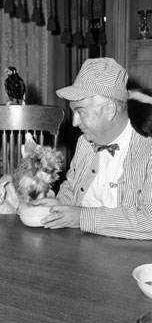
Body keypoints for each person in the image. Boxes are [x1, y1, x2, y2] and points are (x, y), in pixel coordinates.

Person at [36, 57, 152, 239]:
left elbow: (149, 220)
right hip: (80, 245)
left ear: (109, 110)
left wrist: (81, 218)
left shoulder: (148, 148)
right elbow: (71, 186)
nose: (74, 123)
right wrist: (59, 204)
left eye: (81, 111)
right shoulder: (84, 142)